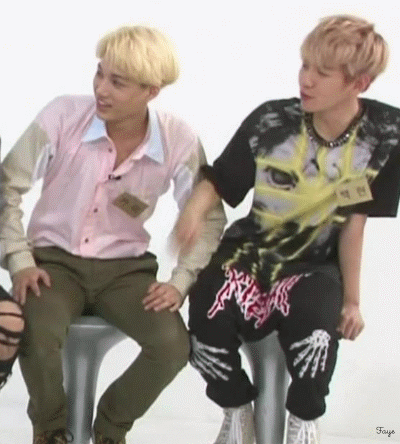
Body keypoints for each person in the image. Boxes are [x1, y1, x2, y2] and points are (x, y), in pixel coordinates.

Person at [174, 15, 400, 444]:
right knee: (205, 318)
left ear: (360, 83)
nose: (306, 79)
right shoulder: (271, 119)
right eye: (304, 65)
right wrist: (193, 213)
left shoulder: (386, 135)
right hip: (248, 252)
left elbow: (354, 223)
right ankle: (236, 410)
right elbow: (220, 180)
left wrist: (353, 300)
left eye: (322, 72)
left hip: (314, 264)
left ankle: (303, 419)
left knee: (317, 332)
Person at [0, 26, 225, 444]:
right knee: (36, 331)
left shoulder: (177, 138)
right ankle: (51, 430)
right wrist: (19, 260)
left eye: (117, 82)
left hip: (126, 271)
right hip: (52, 264)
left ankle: (110, 429)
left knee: (172, 346)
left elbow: (209, 220)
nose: (101, 89)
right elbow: (6, 187)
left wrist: (180, 282)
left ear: (151, 91)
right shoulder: (62, 115)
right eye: (99, 74)